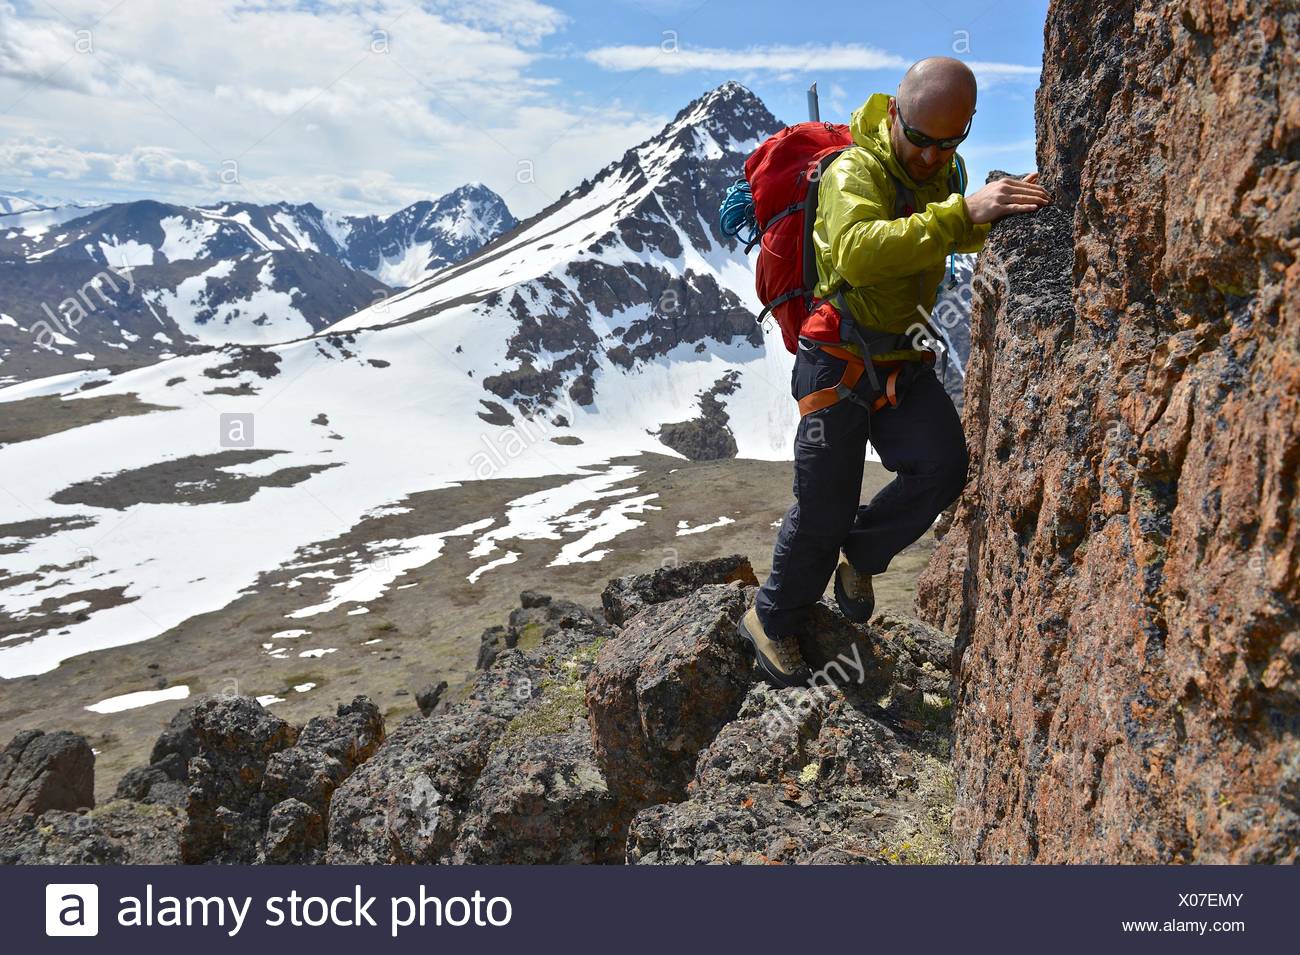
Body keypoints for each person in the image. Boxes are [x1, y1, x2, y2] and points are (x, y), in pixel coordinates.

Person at [739, 57, 1052, 687]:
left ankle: (863, 550)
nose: (934, 158)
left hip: (901, 355)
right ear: (895, 116)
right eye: (922, 140)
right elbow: (860, 250)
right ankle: (771, 621)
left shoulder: (942, 172)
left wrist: (1003, 207)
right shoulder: (851, 170)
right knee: (823, 505)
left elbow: (950, 237)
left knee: (941, 468)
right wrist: (963, 214)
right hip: (837, 357)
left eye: (949, 144)